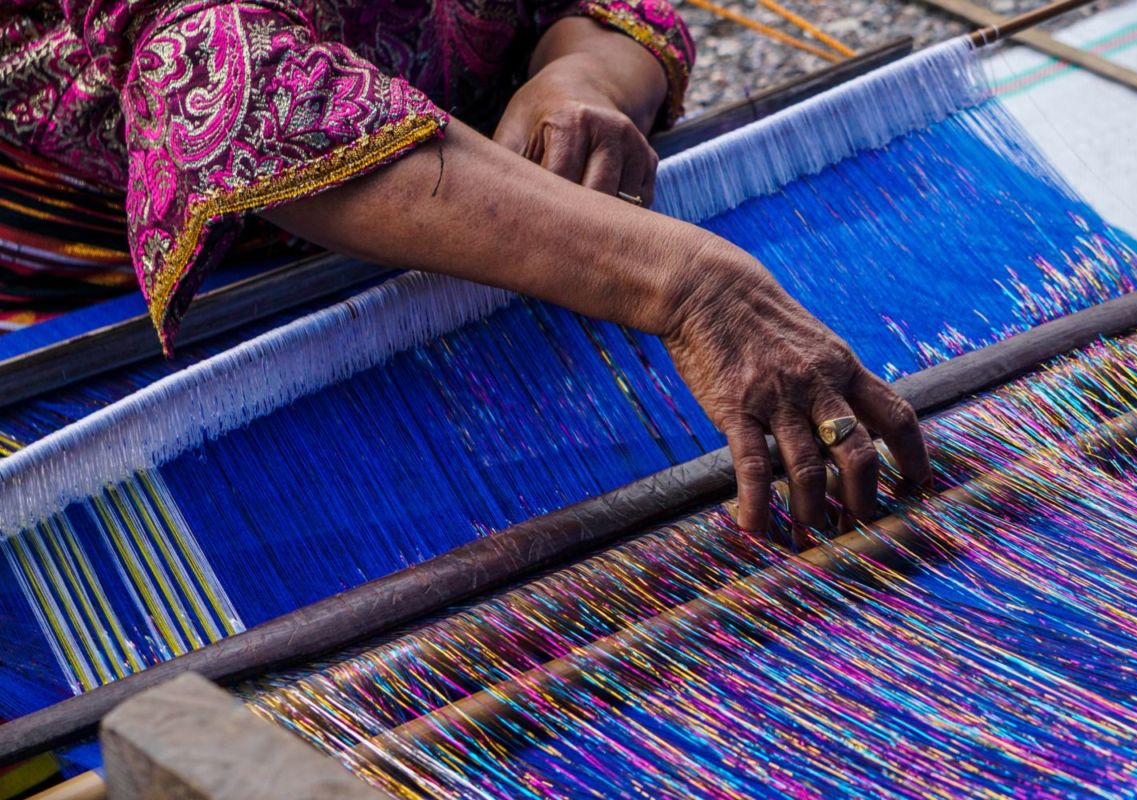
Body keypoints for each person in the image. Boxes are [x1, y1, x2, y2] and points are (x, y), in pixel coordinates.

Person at [0, 0, 928, 533]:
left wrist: (576, 80)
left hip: (458, 202)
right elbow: (229, 88)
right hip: (105, 317)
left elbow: (618, 9)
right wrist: (689, 283)